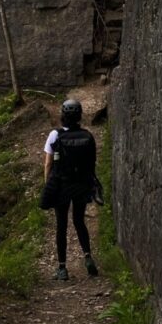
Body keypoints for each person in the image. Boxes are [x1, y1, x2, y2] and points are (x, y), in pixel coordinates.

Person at [41, 98, 99, 280]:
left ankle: (62, 268)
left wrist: (48, 184)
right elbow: (91, 163)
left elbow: (48, 164)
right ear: (79, 116)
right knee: (79, 221)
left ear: (63, 115)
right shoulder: (87, 136)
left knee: (61, 225)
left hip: (62, 185)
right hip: (81, 185)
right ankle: (88, 257)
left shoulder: (55, 135)